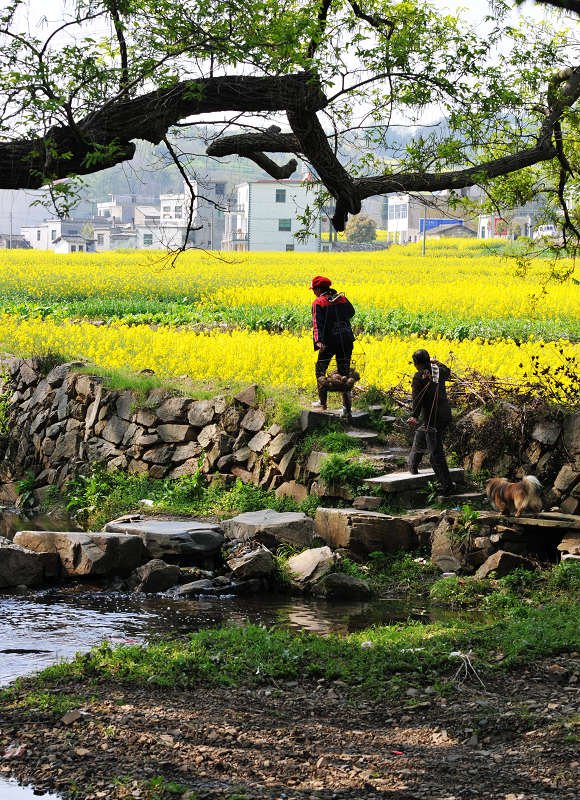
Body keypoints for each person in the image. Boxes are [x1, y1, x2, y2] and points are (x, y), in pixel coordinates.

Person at [407, 348, 454, 495]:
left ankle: (446, 485)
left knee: (435, 453)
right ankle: (413, 465)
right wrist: (436, 362)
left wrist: (414, 415)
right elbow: (449, 371)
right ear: (429, 361)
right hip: (444, 414)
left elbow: (417, 399)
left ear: (416, 364)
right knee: (421, 433)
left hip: (432, 418)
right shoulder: (439, 370)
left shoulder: (418, 377)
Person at [310, 275, 355, 420]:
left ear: (318, 289)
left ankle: (322, 403)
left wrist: (318, 342)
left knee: (320, 370)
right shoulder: (341, 298)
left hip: (329, 342)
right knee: (345, 374)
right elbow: (351, 313)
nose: (313, 292)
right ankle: (346, 409)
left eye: (313, 289)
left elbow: (317, 323)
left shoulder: (318, 302)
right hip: (346, 340)